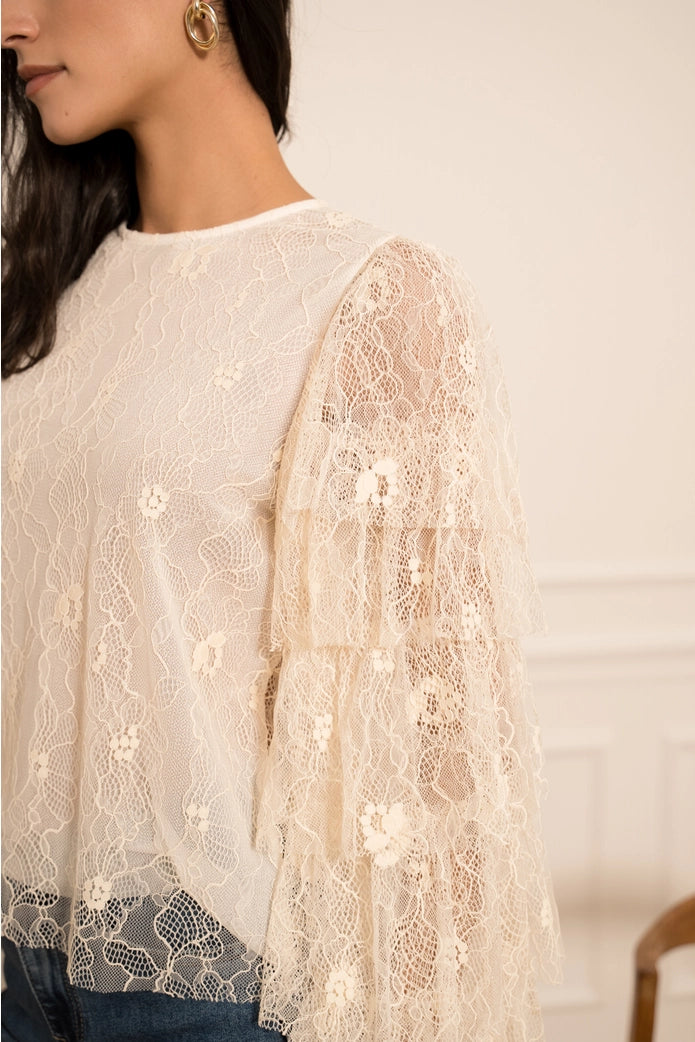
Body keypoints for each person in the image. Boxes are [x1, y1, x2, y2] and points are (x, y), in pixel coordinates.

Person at [0, 1, 564, 1040]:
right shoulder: (52, 283)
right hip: (12, 945)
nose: (9, 19)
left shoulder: (370, 292)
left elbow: (433, 743)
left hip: (214, 976)